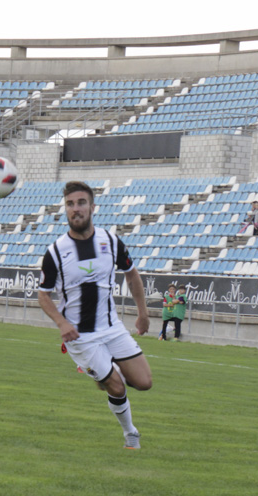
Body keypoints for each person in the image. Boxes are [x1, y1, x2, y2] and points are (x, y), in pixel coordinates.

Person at [37, 181, 152, 450]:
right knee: (117, 386)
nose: (75, 209)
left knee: (144, 383)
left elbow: (131, 273)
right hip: (80, 336)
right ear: (65, 209)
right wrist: (61, 322)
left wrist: (143, 313)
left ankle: (103, 371)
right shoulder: (55, 252)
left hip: (112, 328)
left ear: (92, 207)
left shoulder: (110, 241)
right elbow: (43, 295)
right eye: (70, 204)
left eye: (81, 202)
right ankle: (131, 433)